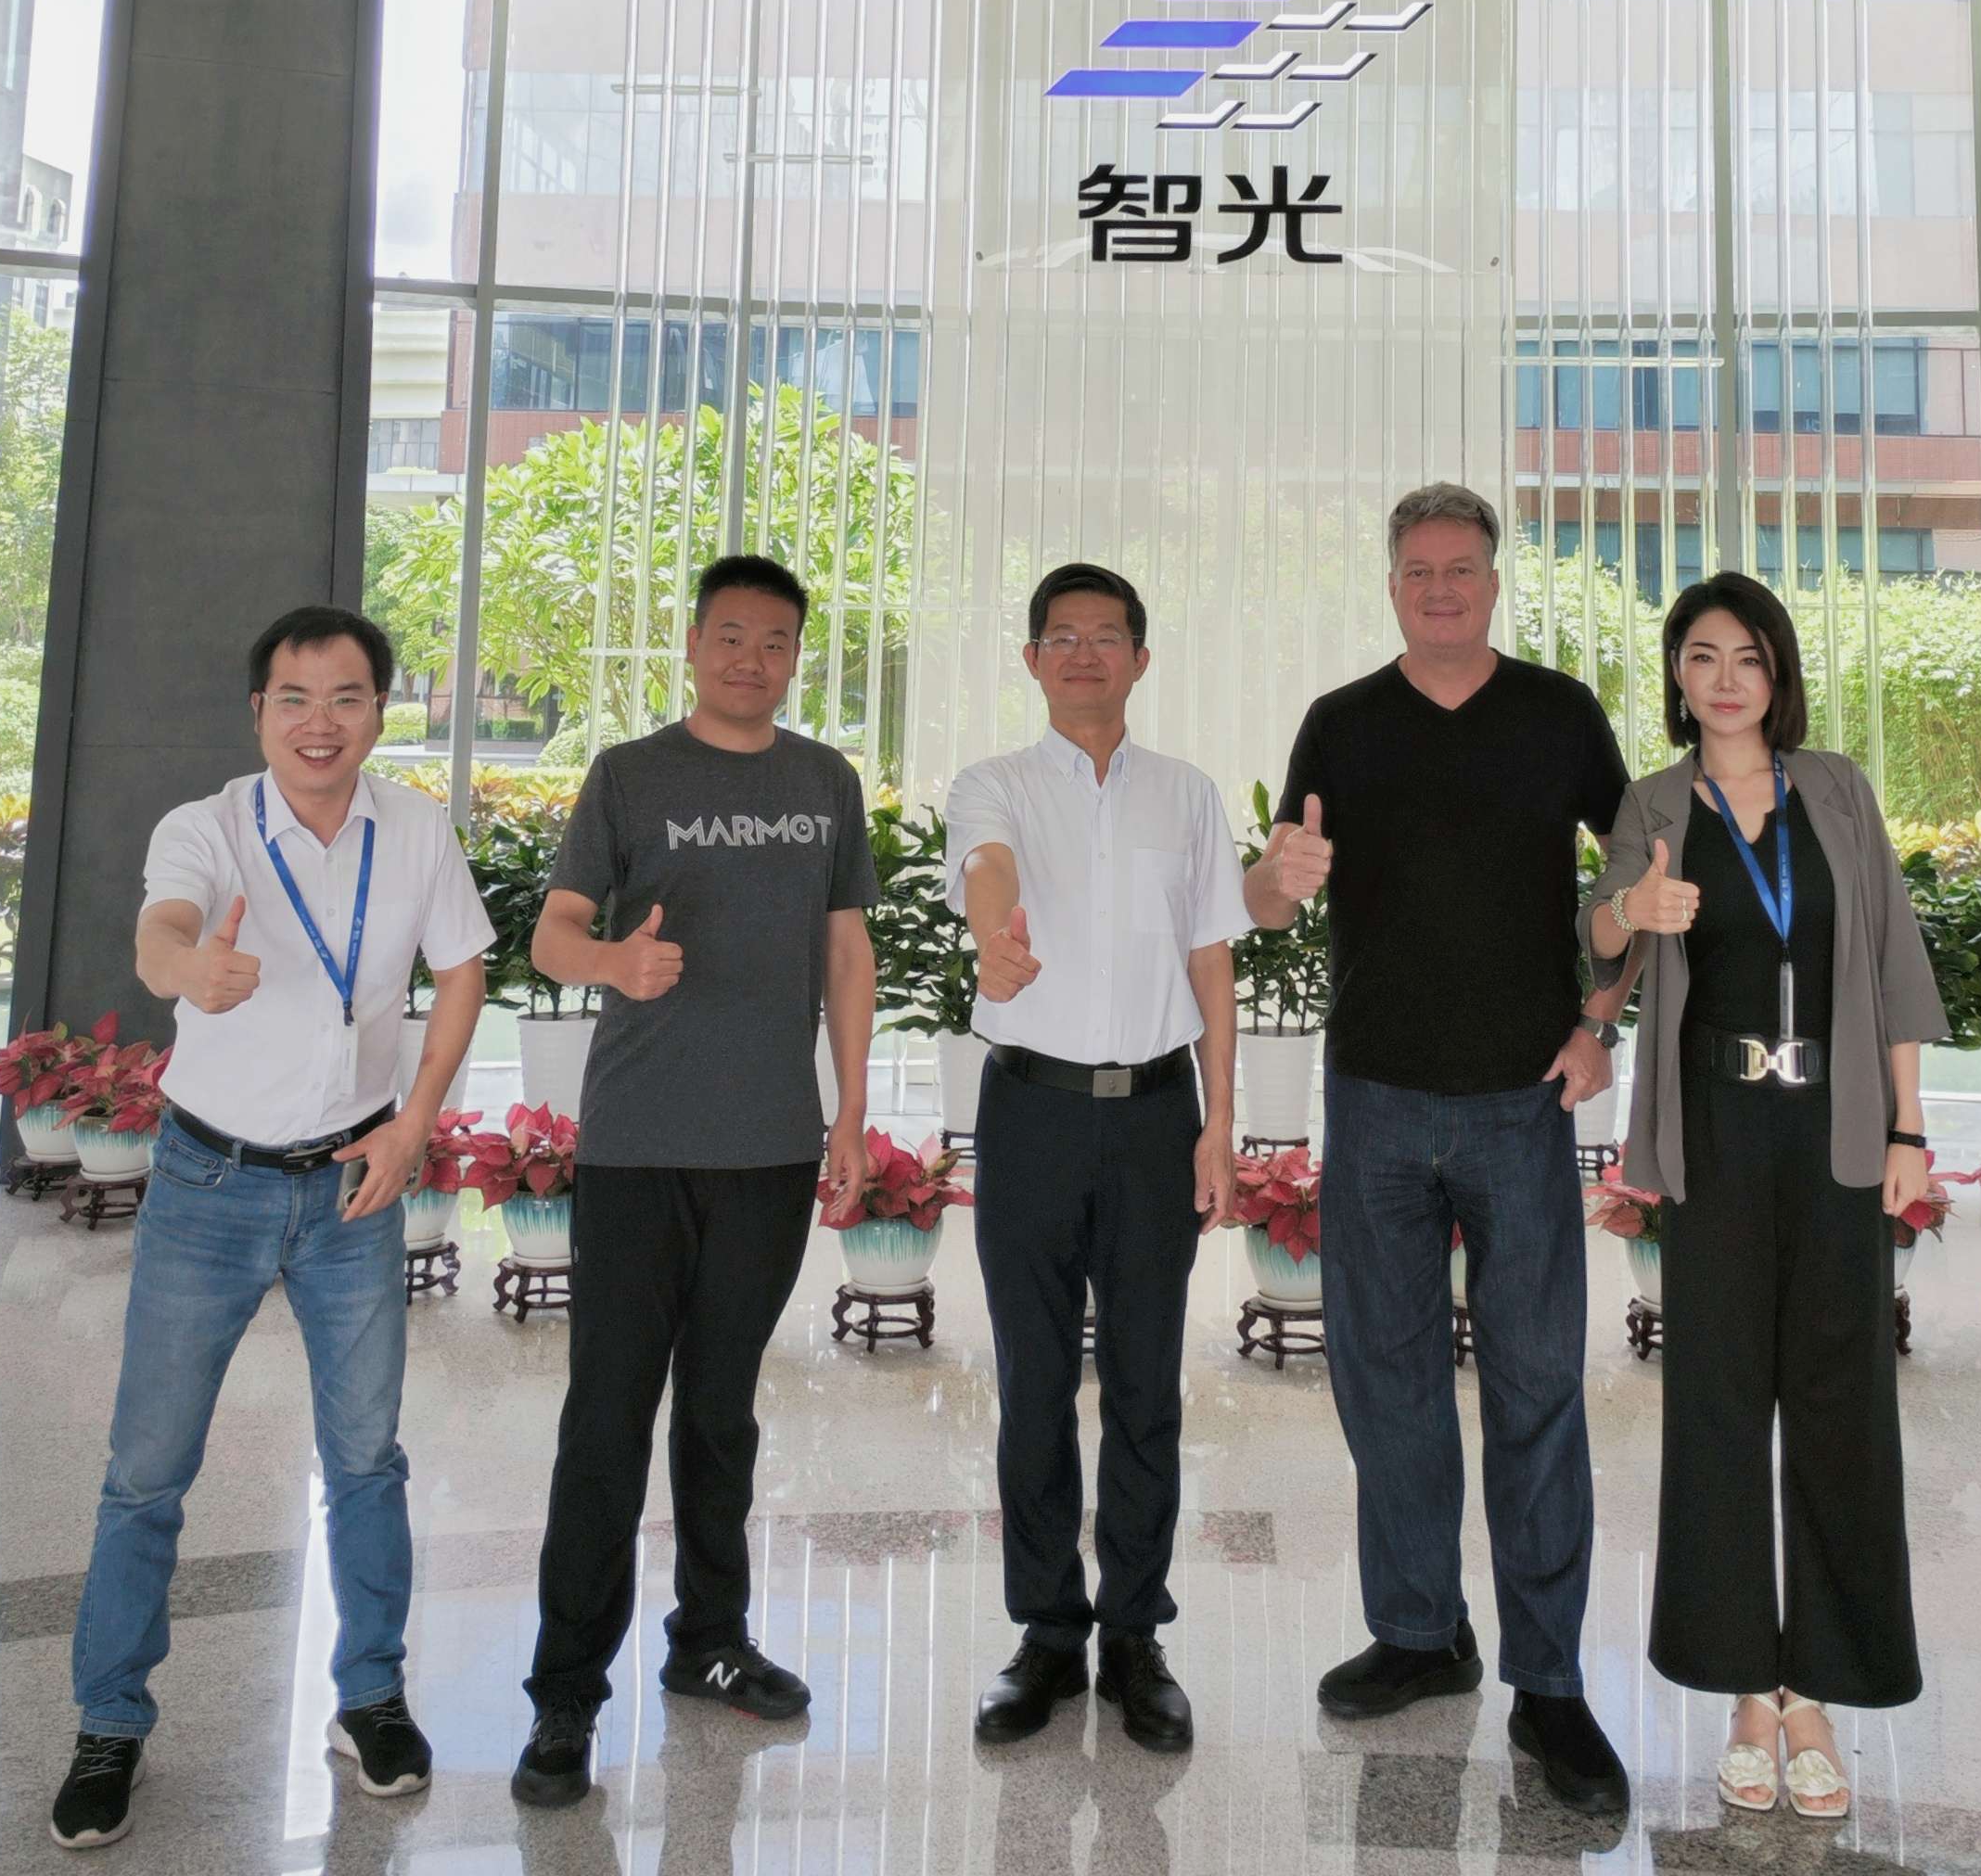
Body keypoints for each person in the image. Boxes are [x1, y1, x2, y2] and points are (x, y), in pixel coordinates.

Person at [50, 606, 493, 1852]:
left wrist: (413, 1125)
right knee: (148, 1469)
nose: (319, 723)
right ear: (259, 713)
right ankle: (110, 1721)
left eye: (346, 698)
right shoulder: (207, 828)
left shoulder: (416, 830)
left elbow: (462, 971)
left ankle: (372, 1697)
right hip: (211, 1185)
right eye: (294, 699)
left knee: (366, 1461)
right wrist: (186, 969)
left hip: (354, 1183)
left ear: (379, 713)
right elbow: (162, 930)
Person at [1244, 482, 1634, 1816]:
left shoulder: (1561, 714)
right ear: (1392, 585)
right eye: (1419, 570)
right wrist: (1275, 885)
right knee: (1388, 1382)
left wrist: (1602, 1021)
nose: (1442, 588)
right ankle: (1420, 1631)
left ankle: (1551, 1681)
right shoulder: (1341, 723)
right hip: (1376, 1101)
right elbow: (1276, 895)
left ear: (1495, 579)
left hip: (1526, 1100)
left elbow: (1634, 883)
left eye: (1462, 567)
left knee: (1536, 1389)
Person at [510, 554, 878, 1807]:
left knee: (721, 1415)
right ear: (692, 644)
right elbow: (552, 933)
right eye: (730, 637)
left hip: (770, 1148)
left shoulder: (824, 783)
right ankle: (567, 1690)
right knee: (608, 1418)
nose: (750, 660)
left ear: (795, 657)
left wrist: (851, 1111)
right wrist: (613, 963)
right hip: (638, 1147)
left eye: (774, 642)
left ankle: (709, 1641)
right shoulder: (630, 774)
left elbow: (846, 951)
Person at [1582, 571, 1945, 1820]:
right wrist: (1631, 907)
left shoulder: (1834, 788)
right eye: (1702, 657)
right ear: (1677, 679)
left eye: (1747, 656)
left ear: (1777, 673)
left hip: (1837, 1123)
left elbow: (1892, 956)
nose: (1725, 678)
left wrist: (1909, 1127)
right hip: (1719, 1129)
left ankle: (1818, 1695)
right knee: (1720, 1402)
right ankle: (1745, 1690)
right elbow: (1600, 944)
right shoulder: (1653, 802)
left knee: (1842, 1402)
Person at [943, 564, 1249, 1753]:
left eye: (1106, 635)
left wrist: (1219, 1122)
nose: (1083, 653)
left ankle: (1134, 1635)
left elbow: (1213, 958)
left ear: (1140, 658)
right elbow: (988, 865)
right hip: (1032, 1109)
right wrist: (996, 938)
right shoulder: (996, 782)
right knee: (1032, 1381)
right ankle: (1045, 1632)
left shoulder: (1187, 794)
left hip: (1156, 1116)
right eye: (1060, 636)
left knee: (1144, 1382)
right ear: (1031, 660)